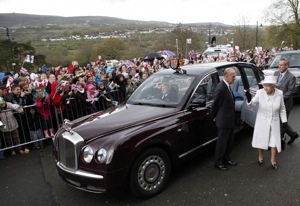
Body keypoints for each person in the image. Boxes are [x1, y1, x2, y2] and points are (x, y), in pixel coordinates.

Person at [246, 76, 287, 171]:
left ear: (273, 86)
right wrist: (249, 100)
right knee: (261, 140)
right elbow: (252, 105)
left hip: (275, 121)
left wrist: (284, 121)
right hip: (262, 121)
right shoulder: (260, 93)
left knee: (274, 142)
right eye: (264, 85)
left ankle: (273, 161)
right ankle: (260, 156)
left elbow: (282, 108)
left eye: (268, 86)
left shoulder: (279, 93)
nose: (265, 88)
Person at [211, 67, 237, 171]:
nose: (235, 78)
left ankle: (227, 159)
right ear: (226, 76)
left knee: (229, 142)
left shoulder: (228, 86)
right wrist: (213, 116)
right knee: (222, 143)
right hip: (223, 120)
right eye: (233, 76)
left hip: (230, 119)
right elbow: (215, 104)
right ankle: (218, 162)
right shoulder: (221, 88)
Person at [275, 58, 299, 144]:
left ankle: (280, 142)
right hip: (276, 103)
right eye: (279, 65)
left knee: (282, 123)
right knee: (280, 122)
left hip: (285, 104)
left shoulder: (291, 77)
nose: (279, 67)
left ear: (286, 66)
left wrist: (280, 98)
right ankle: (293, 134)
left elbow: (290, 91)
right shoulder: (277, 74)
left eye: (281, 65)